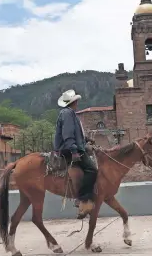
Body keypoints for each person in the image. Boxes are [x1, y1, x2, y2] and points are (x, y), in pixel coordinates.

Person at [53, 89, 97, 219]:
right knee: (92, 169)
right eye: (76, 101)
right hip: (68, 148)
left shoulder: (70, 113)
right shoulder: (67, 114)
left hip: (72, 146)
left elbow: (77, 134)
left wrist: (87, 139)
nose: (77, 102)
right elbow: (68, 135)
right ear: (75, 101)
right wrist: (74, 151)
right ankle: (82, 198)